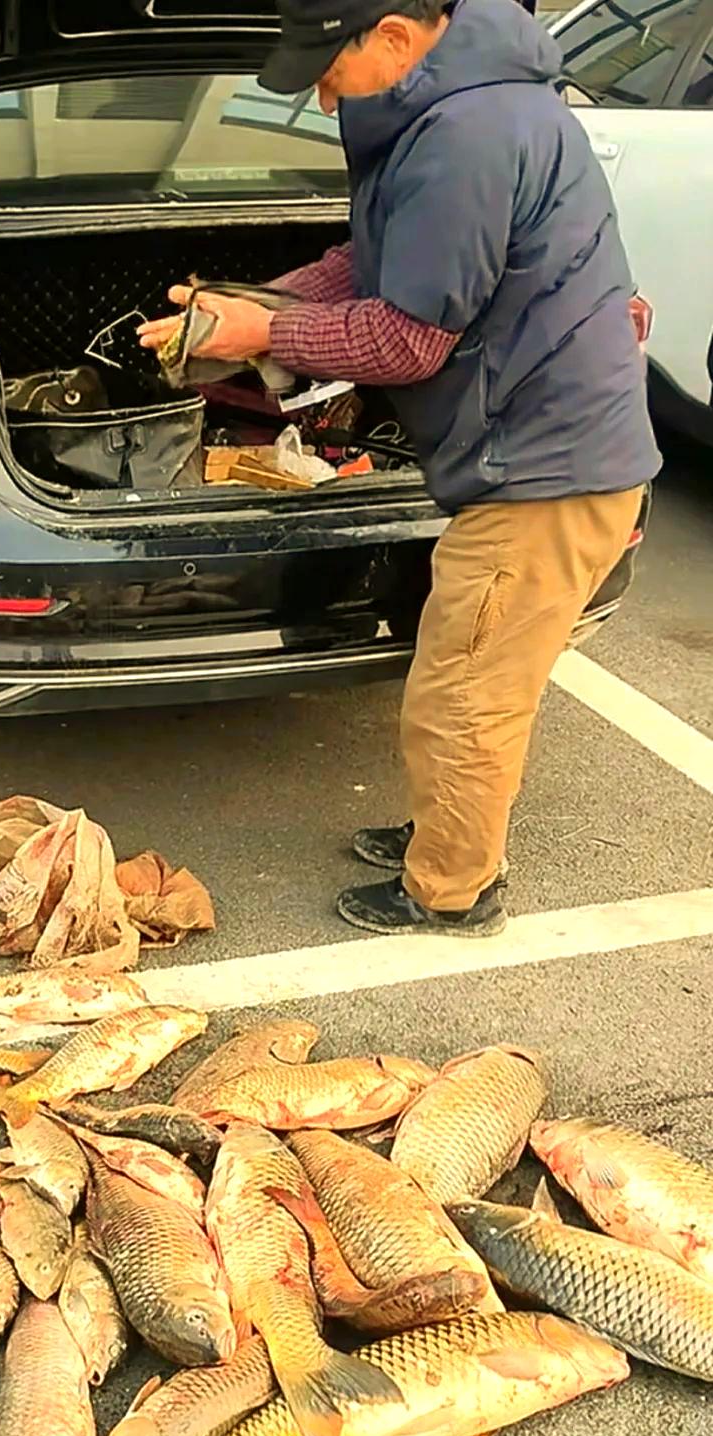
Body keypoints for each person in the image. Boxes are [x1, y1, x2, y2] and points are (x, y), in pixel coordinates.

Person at [139, 0, 661, 938]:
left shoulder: (466, 133)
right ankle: (447, 835)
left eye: (327, 72)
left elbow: (405, 336)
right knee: (467, 672)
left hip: (547, 467)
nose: (324, 95)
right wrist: (249, 303)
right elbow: (368, 264)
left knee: (467, 694)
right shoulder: (460, 111)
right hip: (543, 445)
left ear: (389, 35)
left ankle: (452, 891)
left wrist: (265, 332)